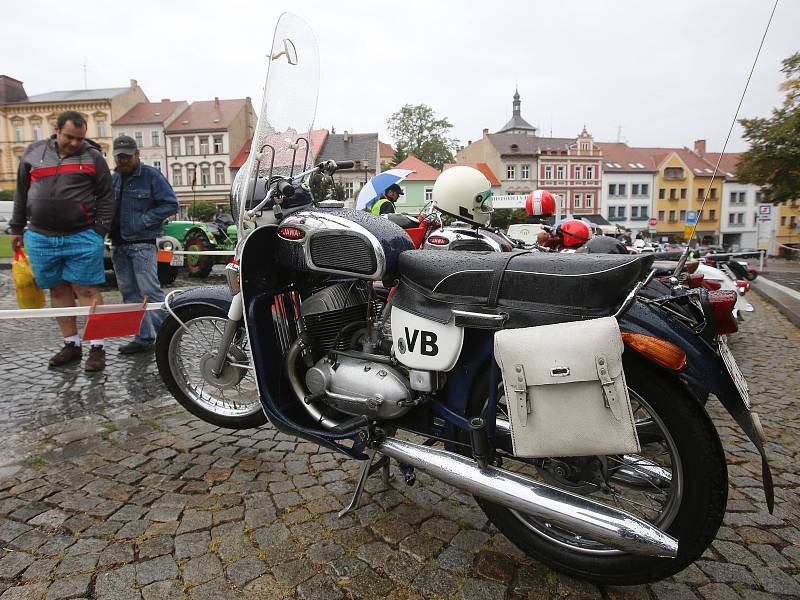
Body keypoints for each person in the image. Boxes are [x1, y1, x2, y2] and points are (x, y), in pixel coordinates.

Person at [9, 110, 114, 371]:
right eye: (70, 137)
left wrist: (99, 231)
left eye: (80, 137)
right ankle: (71, 343)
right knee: (57, 290)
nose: (76, 143)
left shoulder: (93, 157)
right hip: (41, 237)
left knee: (87, 291)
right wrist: (17, 228)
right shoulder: (34, 153)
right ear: (56, 130)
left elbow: (106, 197)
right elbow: (21, 192)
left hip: (82, 235)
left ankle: (97, 347)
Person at [110, 135, 179, 353]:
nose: (123, 160)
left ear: (137, 154)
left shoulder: (150, 175)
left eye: (127, 156)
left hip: (141, 244)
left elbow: (171, 204)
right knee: (129, 294)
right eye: (120, 156)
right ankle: (143, 337)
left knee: (150, 291)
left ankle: (167, 336)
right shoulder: (114, 178)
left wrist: (143, 221)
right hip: (118, 244)